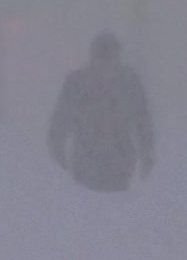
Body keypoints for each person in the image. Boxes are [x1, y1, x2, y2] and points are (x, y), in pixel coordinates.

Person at [48, 32, 155, 192]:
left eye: (109, 53)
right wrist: (58, 153)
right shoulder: (77, 83)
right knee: (87, 207)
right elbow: (61, 121)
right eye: (101, 53)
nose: (105, 59)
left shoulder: (130, 82)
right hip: (86, 163)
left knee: (116, 209)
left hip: (119, 163)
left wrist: (147, 152)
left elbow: (142, 120)